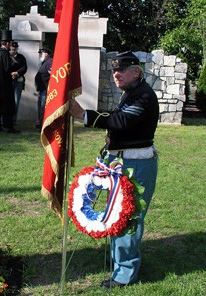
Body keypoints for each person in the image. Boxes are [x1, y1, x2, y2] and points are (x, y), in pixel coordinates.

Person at [69, 51, 159, 288]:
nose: (115, 74)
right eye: (113, 70)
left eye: (121, 70)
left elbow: (121, 121)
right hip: (123, 162)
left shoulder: (143, 96)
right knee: (117, 212)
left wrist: (83, 115)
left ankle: (124, 273)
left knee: (128, 216)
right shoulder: (132, 92)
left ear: (136, 72)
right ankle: (119, 259)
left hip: (136, 165)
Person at [0, 30, 20, 133]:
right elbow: (8, 69)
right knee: (7, 106)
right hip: (5, 85)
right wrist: (15, 67)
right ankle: (8, 127)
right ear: (7, 43)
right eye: (10, 43)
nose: (11, 45)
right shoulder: (5, 55)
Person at [9, 41, 28, 125]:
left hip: (18, 81)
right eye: (12, 49)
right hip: (8, 81)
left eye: (15, 49)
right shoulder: (6, 56)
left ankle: (13, 120)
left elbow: (24, 68)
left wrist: (17, 73)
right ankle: (6, 120)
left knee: (16, 101)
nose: (13, 50)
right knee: (7, 102)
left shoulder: (21, 57)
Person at [35, 48, 53, 129]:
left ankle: (43, 125)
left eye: (41, 53)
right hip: (42, 89)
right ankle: (41, 123)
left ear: (46, 53)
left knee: (43, 108)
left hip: (46, 89)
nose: (39, 55)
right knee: (41, 108)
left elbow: (52, 74)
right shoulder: (45, 62)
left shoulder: (50, 61)